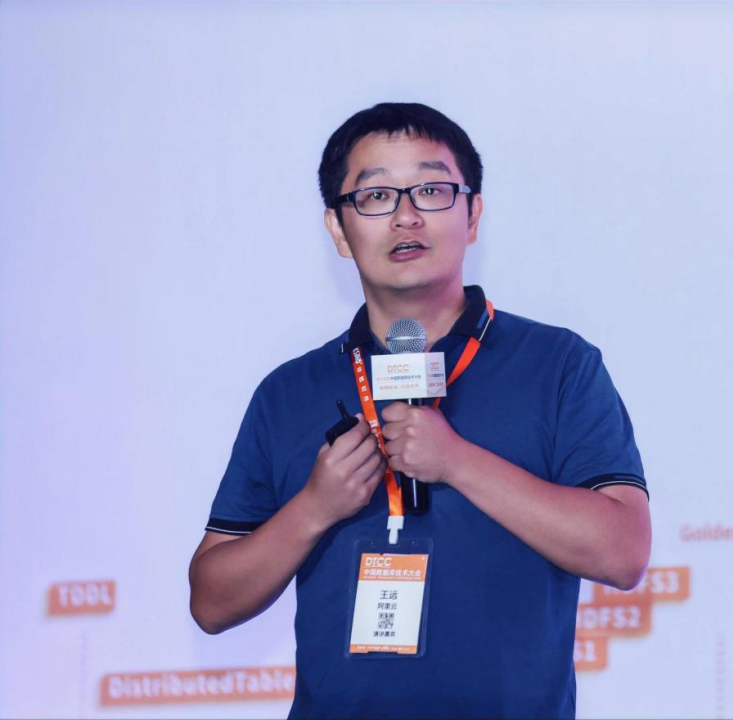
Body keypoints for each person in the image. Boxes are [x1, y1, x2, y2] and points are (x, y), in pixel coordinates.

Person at [189, 102, 651, 719]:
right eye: (376, 196)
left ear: (473, 214)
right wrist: (314, 508)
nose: (406, 216)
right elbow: (211, 601)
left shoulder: (559, 365)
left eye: (431, 190)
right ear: (338, 229)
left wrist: (456, 461)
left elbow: (623, 552)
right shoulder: (288, 392)